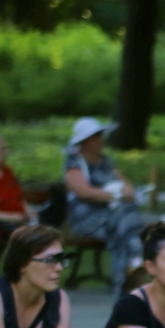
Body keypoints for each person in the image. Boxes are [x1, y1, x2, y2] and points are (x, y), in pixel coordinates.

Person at [62, 117, 143, 297]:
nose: (101, 140)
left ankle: (125, 277)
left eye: (100, 135)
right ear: (85, 141)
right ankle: (132, 268)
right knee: (127, 219)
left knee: (125, 219)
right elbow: (83, 191)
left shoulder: (105, 162)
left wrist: (127, 193)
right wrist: (116, 196)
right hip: (86, 219)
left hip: (112, 217)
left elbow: (126, 185)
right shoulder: (74, 163)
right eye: (96, 136)